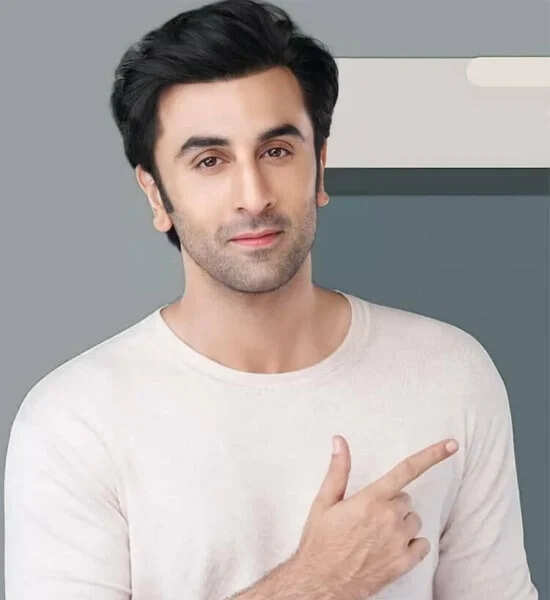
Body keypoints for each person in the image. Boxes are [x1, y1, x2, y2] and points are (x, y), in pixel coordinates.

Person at [4, 1, 538, 599]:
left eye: (277, 151)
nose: (253, 195)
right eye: (210, 161)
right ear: (155, 194)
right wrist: (317, 581)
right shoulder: (74, 421)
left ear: (320, 166)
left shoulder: (450, 373)